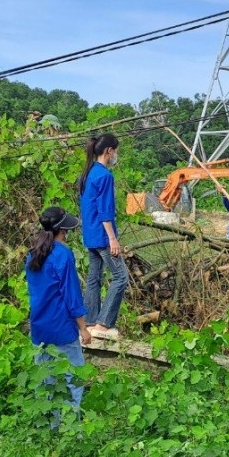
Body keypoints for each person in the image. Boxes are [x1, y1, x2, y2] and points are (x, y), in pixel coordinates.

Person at [25, 206, 92, 426]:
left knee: (46, 381)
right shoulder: (63, 254)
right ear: (63, 230)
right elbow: (71, 295)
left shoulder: (33, 253)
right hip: (62, 327)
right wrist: (83, 328)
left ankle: (48, 428)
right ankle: (72, 430)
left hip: (39, 328)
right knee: (73, 380)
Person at [77, 134, 127, 341]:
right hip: (102, 234)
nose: (116, 155)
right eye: (116, 151)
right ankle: (104, 323)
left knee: (93, 278)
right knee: (121, 277)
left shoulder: (87, 173)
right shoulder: (104, 176)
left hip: (89, 234)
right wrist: (113, 239)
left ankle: (89, 321)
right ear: (109, 151)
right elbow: (105, 210)